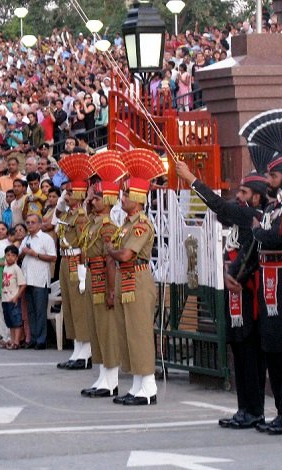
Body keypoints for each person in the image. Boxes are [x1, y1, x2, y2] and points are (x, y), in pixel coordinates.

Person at [176, 156, 268, 429]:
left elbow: (219, 206)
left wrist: (191, 178)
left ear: (257, 197)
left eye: (244, 192)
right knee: (239, 353)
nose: (238, 196)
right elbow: (219, 212)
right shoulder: (243, 218)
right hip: (236, 291)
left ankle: (254, 410)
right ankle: (245, 409)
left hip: (249, 293)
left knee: (250, 356)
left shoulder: (252, 215)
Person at [241, 109, 282, 435]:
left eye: (273, 177)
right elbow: (267, 232)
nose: (268, 181)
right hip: (270, 278)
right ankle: (281, 410)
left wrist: (259, 232)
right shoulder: (272, 207)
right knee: (272, 346)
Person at [106, 149, 163, 406]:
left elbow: (127, 254)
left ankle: (148, 386)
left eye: (127, 193)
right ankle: (138, 384)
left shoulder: (140, 224)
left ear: (139, 197)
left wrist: (111, 251)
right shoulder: (127, 224)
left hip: (137, 278)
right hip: (125, 279)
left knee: (139, 332)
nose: (123, 197)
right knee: (127, 332)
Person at [80, 151, 128, 398]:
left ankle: (111, 380)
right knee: (96, 327)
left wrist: (111, 290)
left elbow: (111, 259)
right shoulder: (94, 222)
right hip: (92, 275)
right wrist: (88, 201)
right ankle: (102, 376)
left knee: (107, 329)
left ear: (108, 200)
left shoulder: (108, 226)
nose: (94, 200)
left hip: (103, 278)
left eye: (98, 197)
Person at [55, 153, 93, 371]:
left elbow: (85, 244)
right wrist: (62, 200)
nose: (66, 195)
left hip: (75, 261)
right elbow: (54, 218)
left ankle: (85, 351)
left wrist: (81, 270)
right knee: (69, 307)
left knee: (79, 308)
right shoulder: (69, 214)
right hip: (65, 261)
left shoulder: (80, 217)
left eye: (69, 192)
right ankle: (77, 348)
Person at [18, 213, 57, 350]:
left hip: (40, 279)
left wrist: (36, 255)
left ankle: (41, 340)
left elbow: (53, 257)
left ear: (40, 224)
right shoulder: (26, 238)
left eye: (33, 222)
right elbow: (19, 253)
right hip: (27, 279)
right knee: (31, 311)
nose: (30, 225)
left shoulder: (46, 238)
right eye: (28, 222)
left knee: (40, 311)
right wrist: (24, 252)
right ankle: (33, 338)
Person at [0, 245, 26, 350]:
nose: (10, 257)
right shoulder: (5, 267)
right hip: (5, 298)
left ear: (16, 257)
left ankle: (17, 342)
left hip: (13, 298)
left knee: (16, 321)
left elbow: (23, 284)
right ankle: (12, 340)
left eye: (13, 255)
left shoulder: (16, 269)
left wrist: (16, 297)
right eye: (8, 255)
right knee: (10, 322)